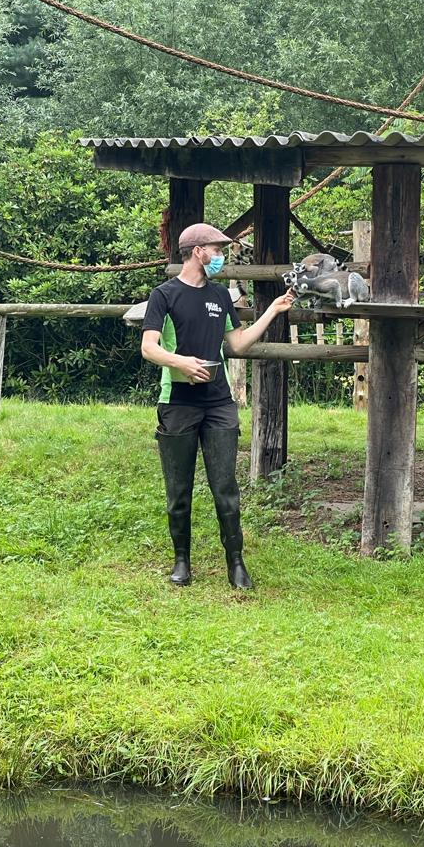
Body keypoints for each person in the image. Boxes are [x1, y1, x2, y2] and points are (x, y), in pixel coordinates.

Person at [141, 222, 295, 589]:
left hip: (219, 403)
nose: (221, 257)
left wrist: (273, 310)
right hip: (177, 403)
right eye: (217, 250)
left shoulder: (221, 296)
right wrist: (181, 362)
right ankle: (181, 561)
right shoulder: (164, 295)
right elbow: (148, 347)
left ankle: (236, 563)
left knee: (225, 487)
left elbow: (237, 344)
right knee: (178, 490)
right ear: (198, 252)